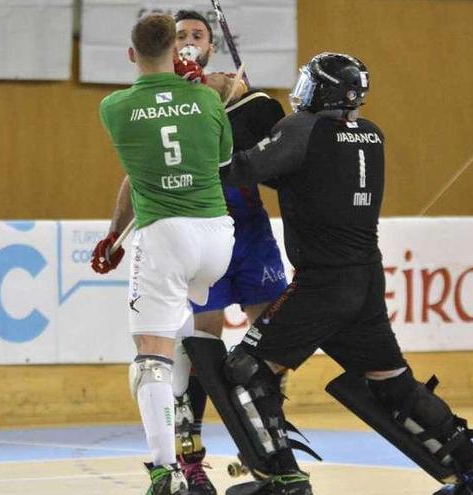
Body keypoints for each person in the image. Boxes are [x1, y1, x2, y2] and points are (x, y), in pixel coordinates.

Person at [185, 53, 473, 495]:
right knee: (391, 382)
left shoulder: (301, 130)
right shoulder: (371, 136)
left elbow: (238, 170)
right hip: (365, 283)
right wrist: (258, 114)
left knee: (247, 369)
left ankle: (282, 478)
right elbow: (298, 175)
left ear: (320, 91)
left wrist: (233, 109)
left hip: (321, 285)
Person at [96, 10, 290, 495]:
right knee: (200, 348)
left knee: (270, 348)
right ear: (170, 46)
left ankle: (267, 450)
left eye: (197, 35)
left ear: (210, 46)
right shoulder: (208, 95)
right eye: (179, 35)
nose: (187, 40)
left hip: (245, 229)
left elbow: (269, 148)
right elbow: (136, 176)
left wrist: (238, 97)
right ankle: (192, 456)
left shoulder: (224, 90)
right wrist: (116, 233)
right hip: (214, 234)